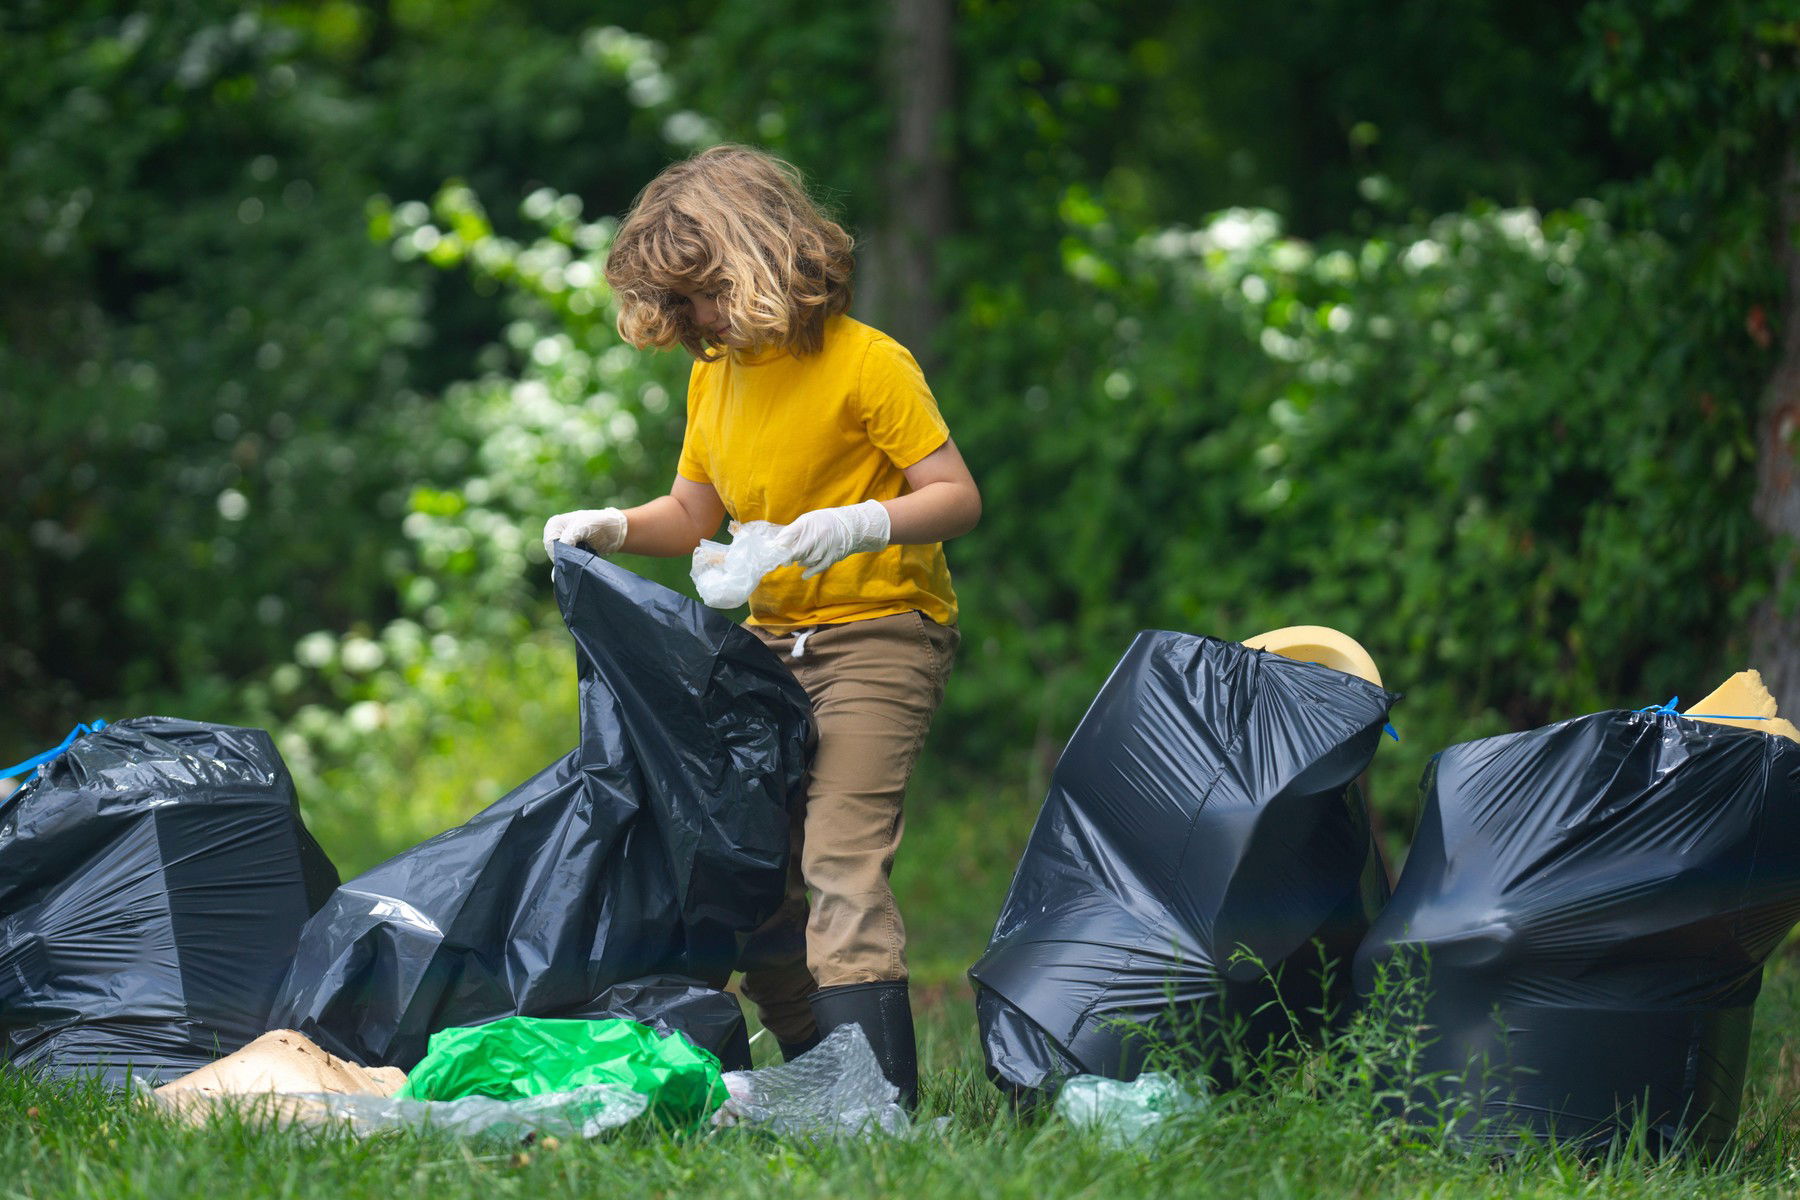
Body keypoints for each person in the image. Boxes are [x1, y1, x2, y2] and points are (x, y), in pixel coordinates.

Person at [542, 144, 980, 1108]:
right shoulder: (718, 377)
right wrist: (614, 526)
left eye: (697, 299)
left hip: (880, 633)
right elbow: (694, 513)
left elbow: (956, 498)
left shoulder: (869, 363)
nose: (689, 326)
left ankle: (881, 1111)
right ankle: (821, 1083)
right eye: (676, 307)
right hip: (770, 652)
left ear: (753, 261)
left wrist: (858, 523)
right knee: (758, 882)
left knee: (838, 858)